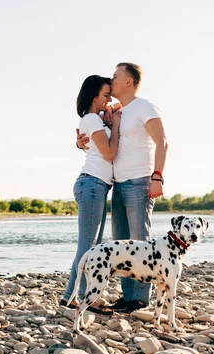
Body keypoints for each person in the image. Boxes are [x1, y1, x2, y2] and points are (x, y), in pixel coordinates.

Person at [77, 62, 168, 313]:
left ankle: (140, 298)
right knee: (122, 243)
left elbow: (162, 142)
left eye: (116, 77)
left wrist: (157, 177)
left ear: (129, 81)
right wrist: (80, 141)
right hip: (118, 182)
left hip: (140, 181)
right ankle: (127, 296)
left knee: (140, 241)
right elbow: (95, 135)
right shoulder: (117, 111)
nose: (112, 79)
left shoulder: (144, 107)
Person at [60, 75, 121, 315]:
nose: (109, 99)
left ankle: (79, 297)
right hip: (92, 183)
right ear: (94, 96)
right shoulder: (91, 119)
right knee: (87, 247)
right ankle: (72, 297)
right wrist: (114, 125)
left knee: (91, 246)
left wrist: (111, 114)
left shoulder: (96, 118)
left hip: (97, 185)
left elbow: (123, 105)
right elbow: (108, 153)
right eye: (106, 95)